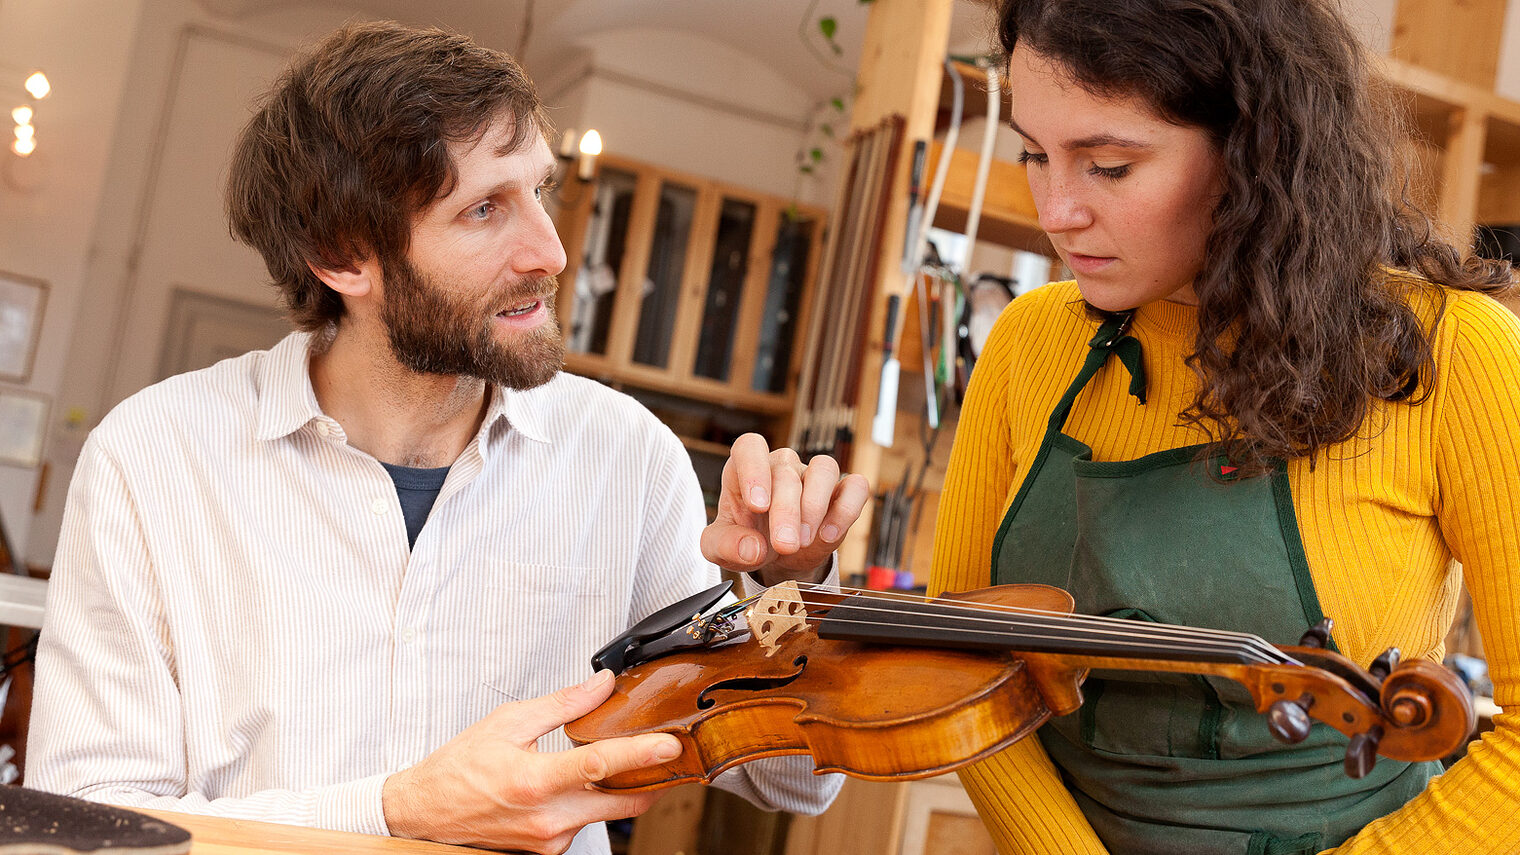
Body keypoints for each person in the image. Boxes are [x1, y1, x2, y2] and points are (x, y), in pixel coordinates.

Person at [27, 20, 869, 855]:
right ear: (341, 256)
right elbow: (87, 826)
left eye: (542, 191)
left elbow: (793, 778)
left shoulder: (628, 457)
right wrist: (394, 811)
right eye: (484, 210)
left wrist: (786, 585)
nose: (550, 249)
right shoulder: (152, 458)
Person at [928, 0, 1520, 853]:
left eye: (1108, 166)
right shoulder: (1029, 342)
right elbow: (962, 675)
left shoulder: (1460, 354)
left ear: (1253, 153)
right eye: (1033, 152)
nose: (1056, 210)